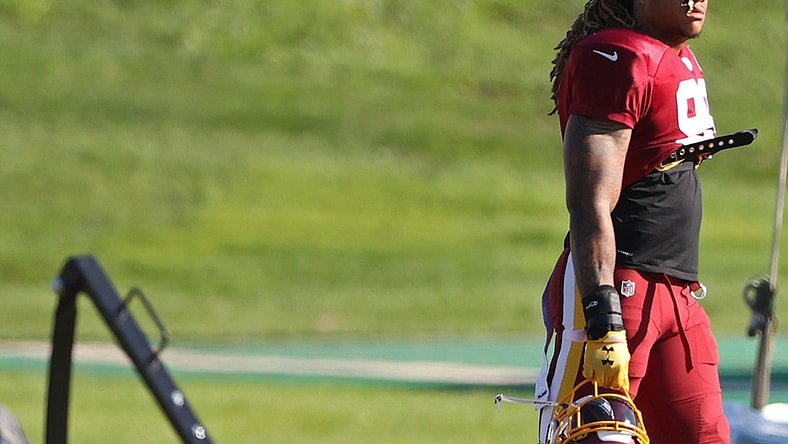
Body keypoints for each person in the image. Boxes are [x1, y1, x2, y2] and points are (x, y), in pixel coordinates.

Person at [534, 0, 730, 443]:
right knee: (598, 433)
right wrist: (602, 312)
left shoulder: (678, 57)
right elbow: (590, 200)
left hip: (677, 288)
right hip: (620, 282)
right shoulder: (618, 55)